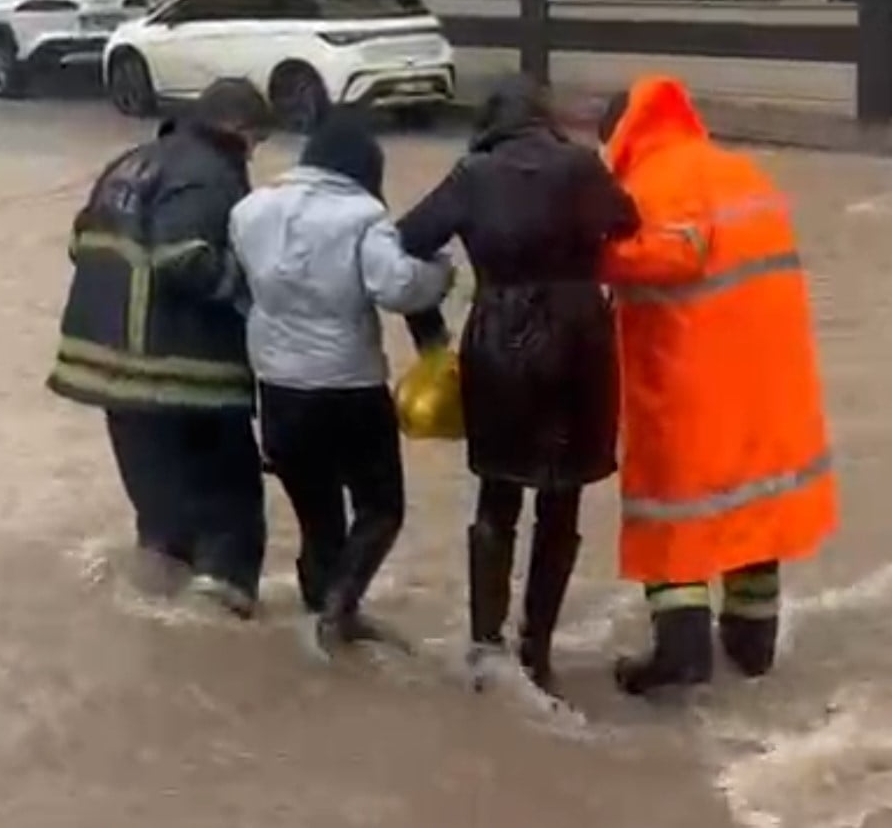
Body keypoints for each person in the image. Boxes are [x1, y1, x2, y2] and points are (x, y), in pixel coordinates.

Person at [397, 76, 640, 694]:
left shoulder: (472, 174)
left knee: (497, 492)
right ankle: (538, 648)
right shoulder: (582, 166)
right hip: (581, 340)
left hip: (499, 338)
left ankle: (486, 646)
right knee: (562, 497)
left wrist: (429, 335)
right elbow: (628, 221)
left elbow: (405, 243)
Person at [598, 76, 838, 695]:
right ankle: (753, 646)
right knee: (752, 509)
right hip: (771, 384)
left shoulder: (654, 181)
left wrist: (595, 257)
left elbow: (677, 252)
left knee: (674, 514)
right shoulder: (742, 173)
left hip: (691, 385)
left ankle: (681, 654)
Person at [48, 79, 273, 618]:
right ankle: (224, 635)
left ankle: (158, 628)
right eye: (257, 142)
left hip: (108, 372)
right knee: (230, 514)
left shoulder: (129, 164)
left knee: (163, 523)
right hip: (184, 376)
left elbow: (81, 244)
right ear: (239, 131)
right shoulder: (210, 175)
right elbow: (183, 257)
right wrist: (252, 293)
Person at [229, 109, 452, 655]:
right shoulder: (363, 215)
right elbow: (397, 287)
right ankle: (340, 610)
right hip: (348, 387)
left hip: (278, 387)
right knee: (381, 508)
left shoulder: (250, 209)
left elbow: (239, 287)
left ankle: (317, 612)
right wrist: (441, 272)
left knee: (317, 511)